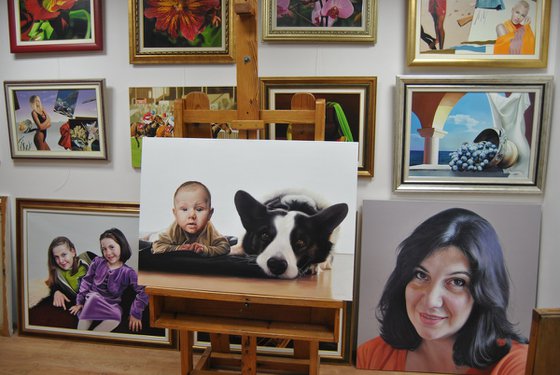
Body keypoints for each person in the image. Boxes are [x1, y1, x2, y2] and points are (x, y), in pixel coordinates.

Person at [357, 208, 528, 374]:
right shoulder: (371, 355)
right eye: (421, 275)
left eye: (457, 282)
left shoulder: (518, 365)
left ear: (484, 293)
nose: (431, 301)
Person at [69, 228, 148, 332]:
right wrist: (79, 302)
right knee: (93, 298)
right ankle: (80, 334)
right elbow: (87, 281)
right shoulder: (97, 262)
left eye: (111, 247)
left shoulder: (128, 272)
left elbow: (143, 291)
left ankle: (94, 337)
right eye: (104, 249)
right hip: (92, 300)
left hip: (111, 304)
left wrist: (135, 313)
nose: (108, 252)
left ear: (121, 245)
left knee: (117, 316)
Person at [151, 181, 230, 256]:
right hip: (159, 235)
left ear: (210, 214)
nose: (192, 215)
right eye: (184, 209)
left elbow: (225, 247)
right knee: (152, 238)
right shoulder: (174, 229)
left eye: (199, 209)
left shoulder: (209, 229)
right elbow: (157, 246)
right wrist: (177, 248)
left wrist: (205, 249)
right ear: (175, 214)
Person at [45, 236, 96, 310]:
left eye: (63, 255)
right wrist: (56, 292)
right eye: (56, 257)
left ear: (73, 252)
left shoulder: (88, 257)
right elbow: (52, 285)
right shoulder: (58, 275)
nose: (61, 261)